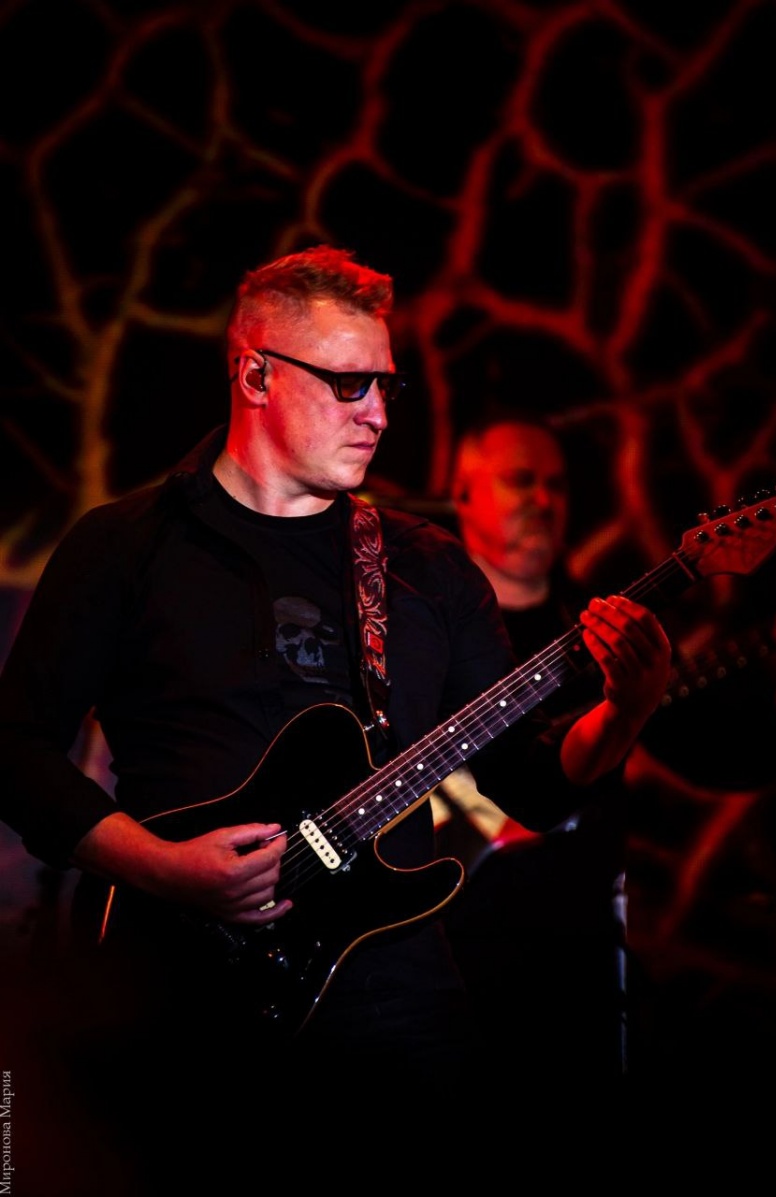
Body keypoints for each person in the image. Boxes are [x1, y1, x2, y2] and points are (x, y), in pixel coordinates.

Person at [0, 245, 672, 1193]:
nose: (380, 414)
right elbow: (16, 749)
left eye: (386, 385)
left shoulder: (425, 567)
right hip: (178, 1006)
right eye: (350, 384)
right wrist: (161, 866)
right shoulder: (124, 547)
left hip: (397, 1009)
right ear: (256, 375)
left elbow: (530, 778)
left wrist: (625, 709)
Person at [431, 412, 633, 1108]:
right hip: (445, 960)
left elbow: (711, 752)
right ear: (462, 493)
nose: (543, 500)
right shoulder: (417, 624)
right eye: (521, 480)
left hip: (574, 965)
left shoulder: (598, 627)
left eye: (557, 484)